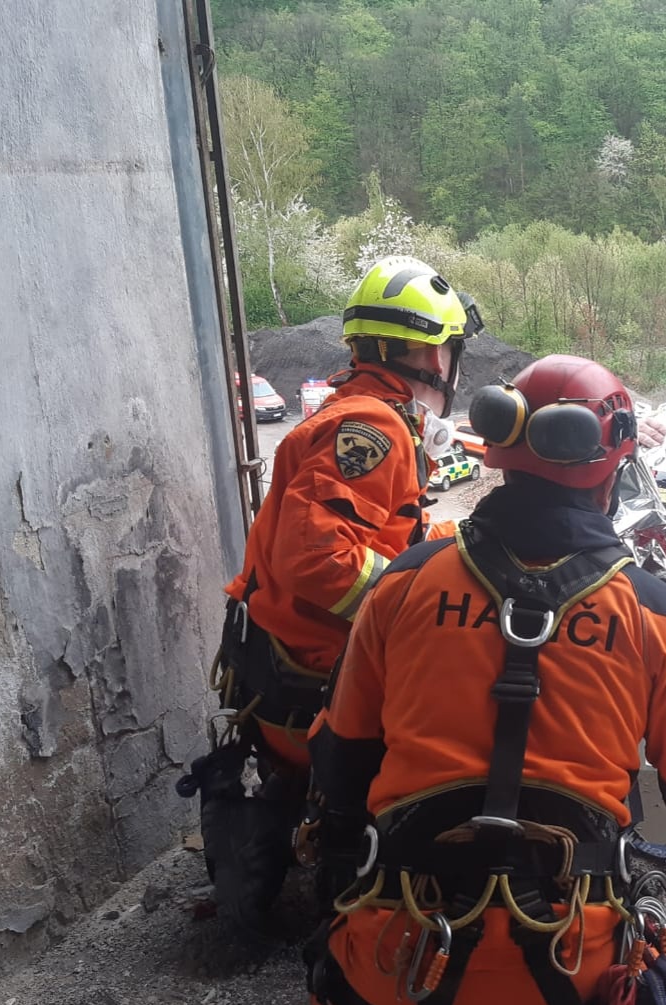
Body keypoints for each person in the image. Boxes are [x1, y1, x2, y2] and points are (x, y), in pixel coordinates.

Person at [303, 354, 666, 1005]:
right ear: (613, 463)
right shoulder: (655, 611)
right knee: (651, 948)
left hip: (404, 957)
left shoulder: (401, 587)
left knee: (327, 977)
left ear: (498, 450)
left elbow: (338, 768)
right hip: (570, 963)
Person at [180, 256, 481, 930]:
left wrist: (443, 539)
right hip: (317, 679)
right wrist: (419, 597)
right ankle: (355, 911)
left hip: (280, 668)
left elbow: (367, 527)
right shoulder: (372, 430)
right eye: (450, 349)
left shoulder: (362, 417)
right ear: (427, 352)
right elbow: (322, 561)